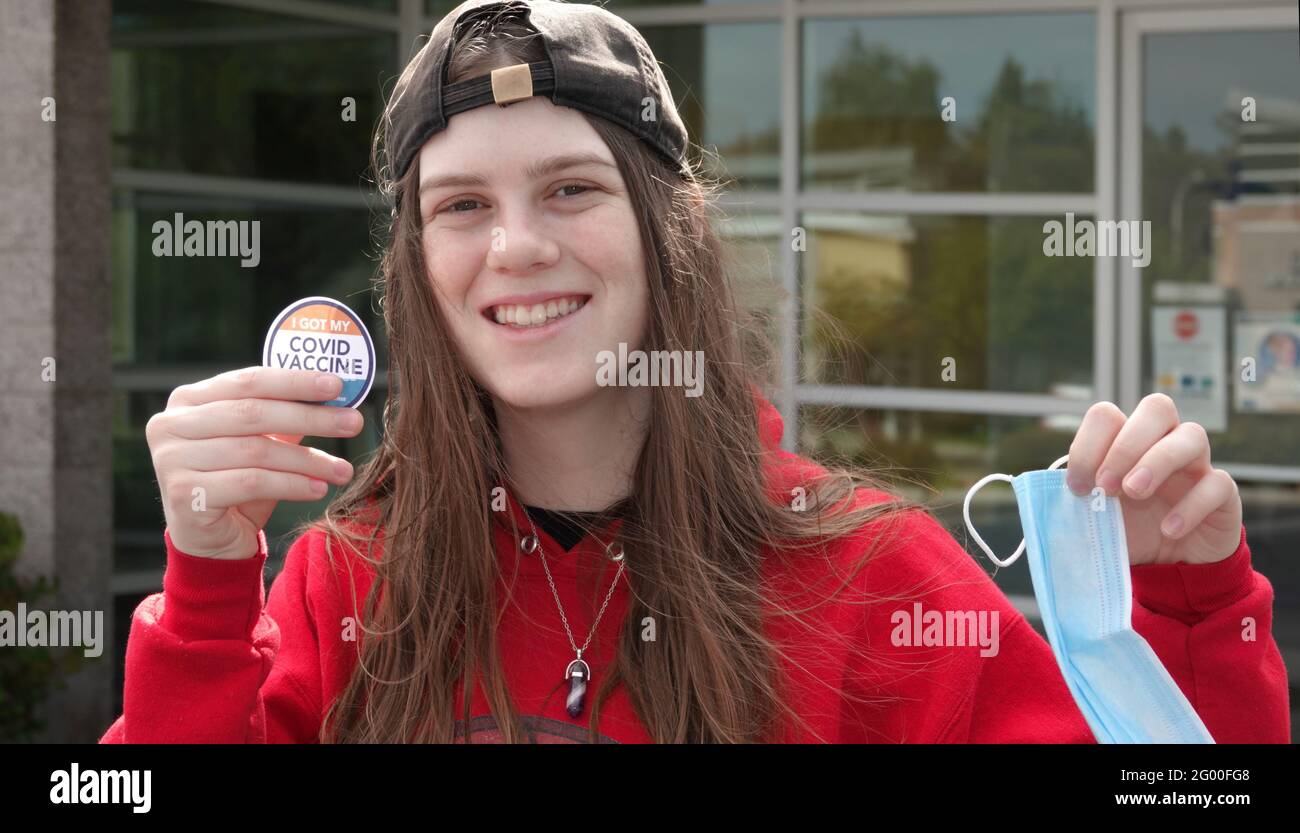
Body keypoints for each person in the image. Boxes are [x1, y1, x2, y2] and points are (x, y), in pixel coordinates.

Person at [101, 0, 1289, 744]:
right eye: (462, 205)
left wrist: (1183, 616)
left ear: (673, 236)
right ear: (416, 268)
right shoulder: (344, 583)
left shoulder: (872, 577)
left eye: (571, 187)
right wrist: (208, 592)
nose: (516, 244)